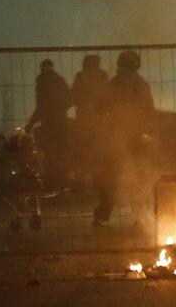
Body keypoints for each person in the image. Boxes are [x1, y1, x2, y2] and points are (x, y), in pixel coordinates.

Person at [92, 51, 155, 226]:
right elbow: (149, 111)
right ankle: (140, 215)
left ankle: (104, 214)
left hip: (119, 137)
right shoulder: (140, 85)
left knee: (113, 177)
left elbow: (100, 108)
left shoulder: (115, 84)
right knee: (134, 176)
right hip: (129, 137)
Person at [26, 59, 72, 190]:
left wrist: (31, 123)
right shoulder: (60, 81)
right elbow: (68, 101)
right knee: (61, 153)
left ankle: (51, 183)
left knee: (49, 153)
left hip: (49, 123)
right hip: (62, 122)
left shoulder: (42, 83)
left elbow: (41, 106)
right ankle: (63, 183)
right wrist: (59, 110)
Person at [70, 54, 108, 186]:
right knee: (98, 151)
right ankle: (99, 181)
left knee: (82, 150)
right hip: (100, 120)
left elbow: (73, 97)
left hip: (84, 120)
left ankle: (82, 181)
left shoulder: (81, 77)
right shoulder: (103, 76)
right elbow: (108, 96)